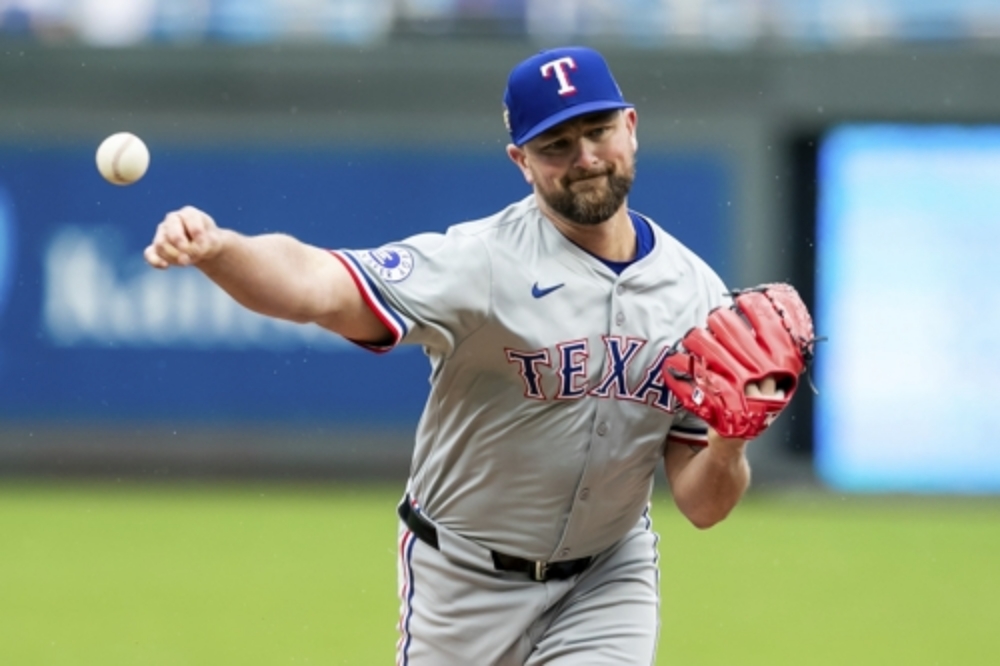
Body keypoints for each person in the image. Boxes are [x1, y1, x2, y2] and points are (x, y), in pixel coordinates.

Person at [145, 46, 780, 666]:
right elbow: (318, 285)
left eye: (599, 130)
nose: (585, 157)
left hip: (608, 579)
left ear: (631, 128)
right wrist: (220, 249)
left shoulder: (698, 296)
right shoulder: (480, 263)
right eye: (556, 144)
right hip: (463, 579)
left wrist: (731, 442)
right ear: (521, 161)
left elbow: (701, 506)